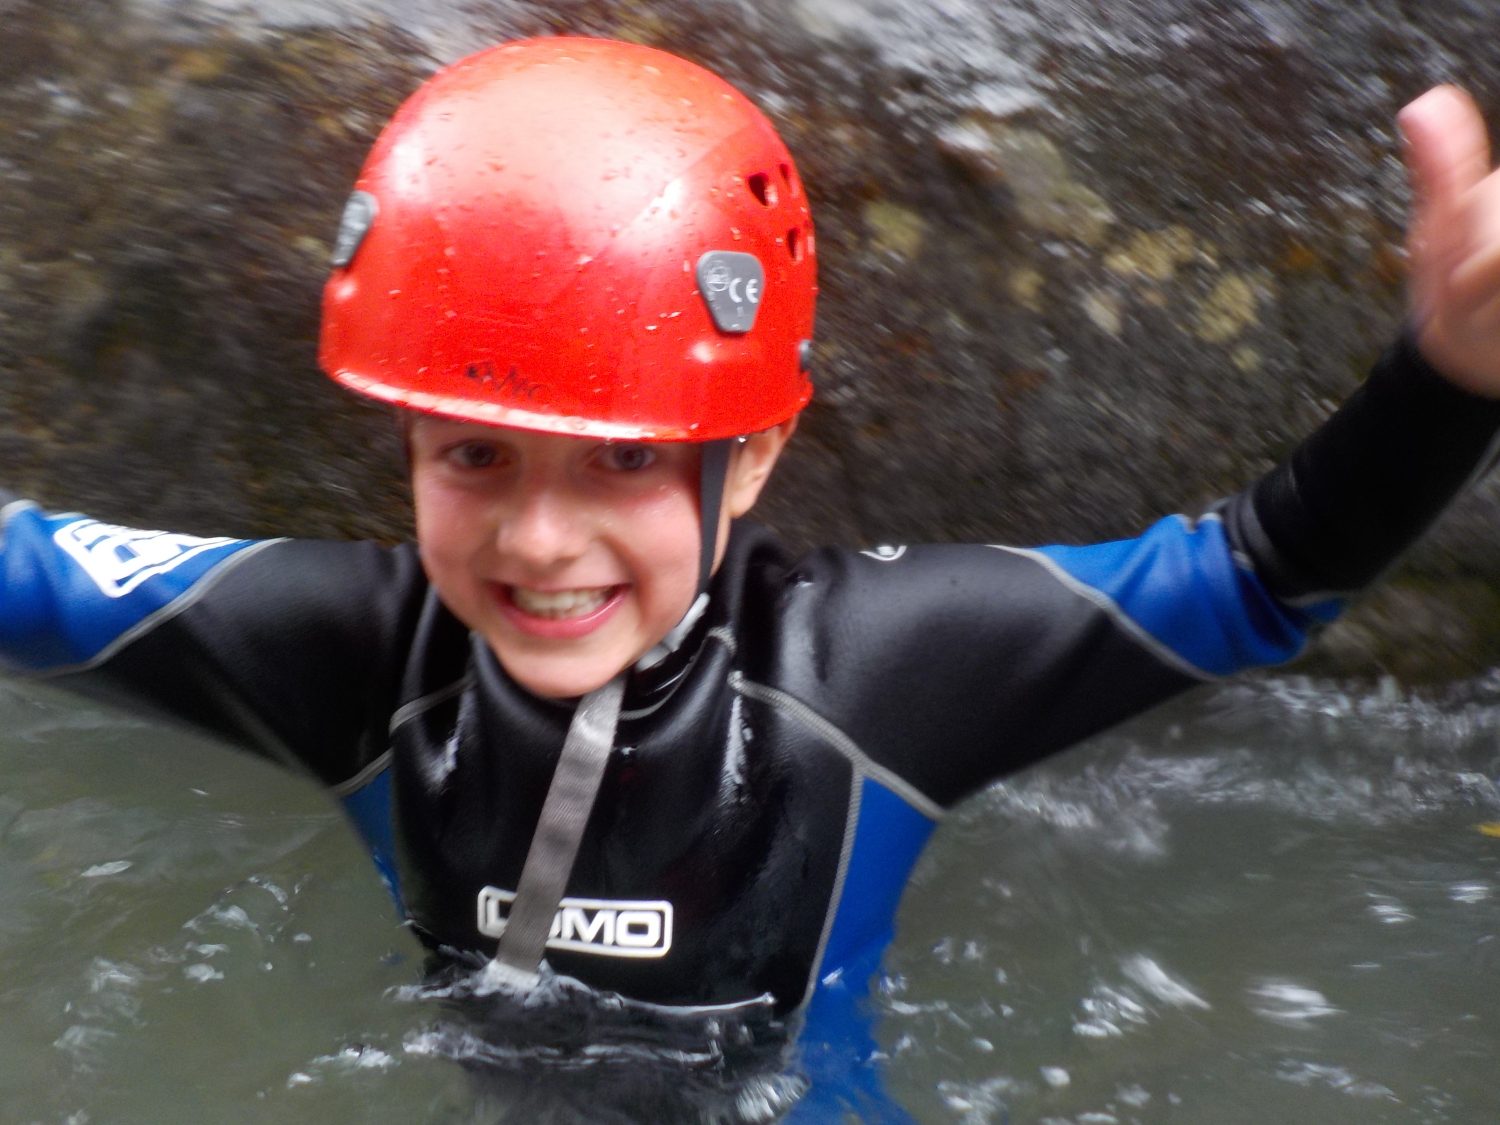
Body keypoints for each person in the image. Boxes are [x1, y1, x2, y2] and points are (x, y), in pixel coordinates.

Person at [3, 34, 1500, 1120]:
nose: (539, 540)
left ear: (759, 450)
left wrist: (1445, 383)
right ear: (405, 438)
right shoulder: (348, 659)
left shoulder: (867, 677)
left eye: (624, 460)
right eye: (473, 455)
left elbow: (1249, 580)